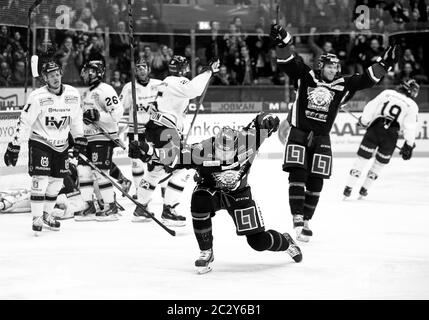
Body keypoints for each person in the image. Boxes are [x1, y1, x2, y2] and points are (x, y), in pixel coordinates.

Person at [270, 23, 400, 243]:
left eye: (336, 67)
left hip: (322, 137)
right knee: (298, 174)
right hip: (299, 133)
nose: (334, 70)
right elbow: (287, 61)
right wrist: (283, 42)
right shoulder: (306, 75)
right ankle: (298, 217)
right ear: (322, 66)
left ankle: (308, 219)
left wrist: (385, 62)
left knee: (317, 180)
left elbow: (368, 78)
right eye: (330, 66)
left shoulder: (343, 83)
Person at [129, 112, 302, 274]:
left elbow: (260, 120)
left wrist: (268, 118)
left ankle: (286, 242)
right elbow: (171, 157)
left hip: (239, 193)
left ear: (237, 144)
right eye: (220, 151)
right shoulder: (202, 150)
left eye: (228, 152)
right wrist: (145, 151)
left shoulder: (249, 140)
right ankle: (206, 251)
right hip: (210, 190)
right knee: (199, 200)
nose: (224, 156)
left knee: (258, 242)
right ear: (215, 144)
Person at [130, 55, 220, 227]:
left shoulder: (164, 81)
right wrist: (208, 72)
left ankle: (141, 207)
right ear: (183, 69)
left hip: (155, 127)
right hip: (166, 129)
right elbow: (195, 90)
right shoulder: (179, 81)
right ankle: (169, 209)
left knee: (156, 170)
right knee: (184, 168)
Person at [3, 61, 87, 234]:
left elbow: (77, 118)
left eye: (57, 74)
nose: (55, 78)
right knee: (40, 180)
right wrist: (14, 145)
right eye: (50, 76)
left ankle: (47, 214)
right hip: (40, 142)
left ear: (61, 74)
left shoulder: (73, 94)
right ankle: (36, 217)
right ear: (45, 78)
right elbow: (24, 121)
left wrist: (79, 138)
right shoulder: (37, 96)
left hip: (61, 145)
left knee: (57, 183)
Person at [343, 79, 420, 199]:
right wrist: (409, 145)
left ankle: (348, 188)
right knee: (379, 164)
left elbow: (370, 107)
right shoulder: (412, 105)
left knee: (362, 159)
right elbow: (410, 127)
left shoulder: (387, 93)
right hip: (391, 135)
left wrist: (364, 121)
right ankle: (364, 190)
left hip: (375, 129)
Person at [76, 60, 124, 222]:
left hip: (102, 138)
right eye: (86, 71)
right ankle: (89, 205)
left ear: (98, 73)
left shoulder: (106, 90)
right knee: (83, 172)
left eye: (90, 71)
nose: (87, 74)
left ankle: (111, 206)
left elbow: (117, 114)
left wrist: (98, 116)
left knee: (100, 174)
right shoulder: (86, 93)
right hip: (87, 139)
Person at [120, 58, 162, 205]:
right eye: (138, 68)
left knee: (159, 161)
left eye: (144, 67)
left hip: (155, 129)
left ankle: (163, 190)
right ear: (135, 71)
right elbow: (120, 107)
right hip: (136, 130)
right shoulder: (128, 87)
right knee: (136, 162)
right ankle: (139, 191)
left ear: (149, 69)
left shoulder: (159, 84)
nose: (141, 70)